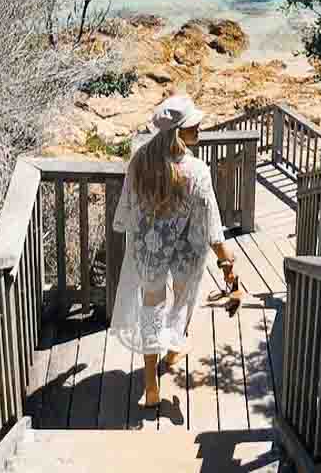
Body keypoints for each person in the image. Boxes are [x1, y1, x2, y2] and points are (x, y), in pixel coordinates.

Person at [110, 95, 239, 408]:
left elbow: (127, 213)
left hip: (149, 247)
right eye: (195, 125)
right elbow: (210, 225)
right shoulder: (196, 170)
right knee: (180, 302)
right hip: (185, 250)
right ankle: (171, 351)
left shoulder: (140, 160)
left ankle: (151, 383)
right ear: (180, 133)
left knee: (151, 308)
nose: (200, 129)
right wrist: (227, 262)